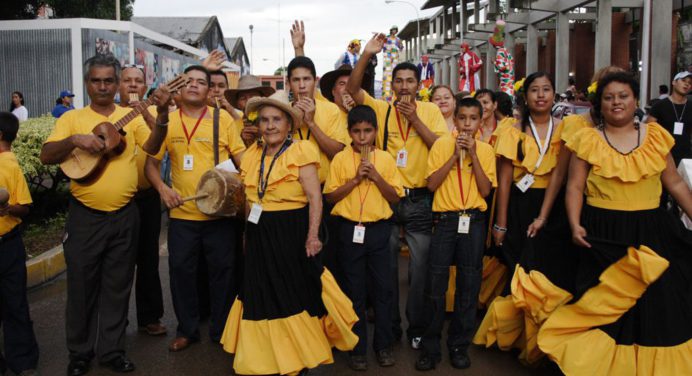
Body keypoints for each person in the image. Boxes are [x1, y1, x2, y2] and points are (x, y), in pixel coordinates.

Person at [539, 71, 692, 375]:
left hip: (652, 233)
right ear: (600, 104)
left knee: (658, 305)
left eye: (623, 96)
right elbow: (574, 187)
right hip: (603, 235)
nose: (616, 102)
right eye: (609, 98)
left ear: (636, 100)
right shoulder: (588, 139)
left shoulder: (657, 137)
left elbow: (674, 183)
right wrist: (574, 224)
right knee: (603, 309)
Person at [40, 54, 170, 375]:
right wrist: (75, 139)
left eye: (108, 81)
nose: (102, 86)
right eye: (96, 81)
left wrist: (163, 113)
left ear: (116, 84)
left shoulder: (132, 115)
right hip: (85, 217)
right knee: (82, 287)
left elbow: (153, 147)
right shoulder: (72, 118)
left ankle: (111, 351)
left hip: (126, 216)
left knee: (118, 285)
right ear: (87, 84)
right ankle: (80, 354)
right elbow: (46, 155)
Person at [220, 90, 358, 375]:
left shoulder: (301, 150)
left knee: (292, 295)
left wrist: (312, 235)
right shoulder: (252, 154)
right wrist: (247, 234)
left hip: (291, 233)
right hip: (259, 232)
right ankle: (267, 361)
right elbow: (249, 199)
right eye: (265, 120)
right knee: (259, 294)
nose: (270, 126)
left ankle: (297, 360)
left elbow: (315, 198)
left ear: (289, 124)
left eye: (276, 120)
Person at [347, 33, 448, 348]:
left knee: (419, 269)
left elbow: (440, 148)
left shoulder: (430, 111)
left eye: (410, 81)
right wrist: (366, 54)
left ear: (418, 85)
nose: (404, 86)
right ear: (392, 86)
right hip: (387, 198)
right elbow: (352, 90)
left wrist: (415, 119)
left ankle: (416, 327)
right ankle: (389, 328)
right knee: (386, 268)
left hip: (419, 199)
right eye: (399, 81)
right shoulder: (381, 109)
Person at [475, 72, 576, 365]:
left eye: (546, 89)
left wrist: (547, 213)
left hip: (553, 206)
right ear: (525, 96)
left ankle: (544, 338)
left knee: (548, 271)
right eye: (534, 90)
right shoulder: (512, 130)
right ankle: (518, 337)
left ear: (554, 94)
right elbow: (505, 182)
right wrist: (501, 224)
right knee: (520, 268)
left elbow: (562, 176)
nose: (541, 95)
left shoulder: (567, 128)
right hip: (519, 204)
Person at [145, 65, 245, 353]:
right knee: (181, 273)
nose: (194, 86)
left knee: (222, 273)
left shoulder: (222, 119)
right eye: (189, 81)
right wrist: (163, 190)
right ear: (180, 87)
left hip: (219, 215)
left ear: (208, 90)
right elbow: (151, 163)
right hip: (182, 216)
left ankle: (222, 330)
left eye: (202, 82)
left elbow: (241, 160)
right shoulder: (166, 121)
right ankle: (187, 330)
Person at [416, 98, 496, 370]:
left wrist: (473, 155)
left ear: (480, 121)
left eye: (473, 119)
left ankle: (459, 345)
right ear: (456, 119)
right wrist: (454, 156)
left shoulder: (485, 150)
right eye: (462, 118)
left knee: (469, 285)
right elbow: (431, 185)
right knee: (435, 284)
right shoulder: (441, 144)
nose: (466, 124)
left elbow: (486, 191)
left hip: (473, 221)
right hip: (447, 221)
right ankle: (430, 348)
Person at [324, 105, 403, 371]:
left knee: (383, 291)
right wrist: (356, 179)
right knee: (353, 291)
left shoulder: (386, 159)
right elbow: (331, 197)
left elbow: (394, 197)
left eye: (367, 131)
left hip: (379, 230)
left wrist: (376, 176)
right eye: (356, 131)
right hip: (349, 230)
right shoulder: (340, 160)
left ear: (375, 132)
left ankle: (383, 346)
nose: (362, 137)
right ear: (349, 133)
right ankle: (357, 348)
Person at [117, 64, 167, 337]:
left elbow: (158, 142)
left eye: (138, 81)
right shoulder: (111, 114)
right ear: (118, 85)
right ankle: (116, 321)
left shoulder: (146, 113)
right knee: (119, 262)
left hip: (146, 197)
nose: (133, 85)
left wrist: (144, 110)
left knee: (148, 259)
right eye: (128, 81)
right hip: (120, 201)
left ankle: (150, 317)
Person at [0, 112, 39, 376]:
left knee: (15, 303)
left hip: (7, 246)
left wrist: (6, 208)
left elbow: (24, 207)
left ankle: (23, 361)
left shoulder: (9, 165)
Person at [647, 71, 692, 164]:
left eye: (690, 83)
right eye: (683, 80)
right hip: (662, 155)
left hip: (686, 156)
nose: (687, 84)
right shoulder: (659, 105)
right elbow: (649, 130)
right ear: (674, 82)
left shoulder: (690, 106)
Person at [224, 75, 275, 147]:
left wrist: (263, 135)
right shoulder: (232, 125)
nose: (248, 101)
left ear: (262, 99)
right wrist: (241, 139)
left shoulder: (274, 122)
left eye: (253, 96)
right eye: (243, 98)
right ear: (238, 103)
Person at [382, 26, 403, 102]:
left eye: (396, 30)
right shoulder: (387, 38)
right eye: (393, 30)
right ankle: (386, 96)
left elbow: (401, 48)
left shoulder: (398, 39)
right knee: (387, 76)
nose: (395, 31)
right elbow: (384, 48)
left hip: (395, 58)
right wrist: (389, 55)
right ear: (391, 30)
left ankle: (394, 95)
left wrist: (400, 44)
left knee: (395, 74)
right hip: (388, 57)